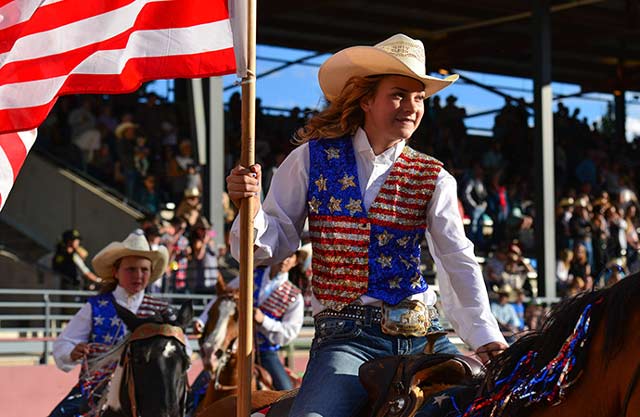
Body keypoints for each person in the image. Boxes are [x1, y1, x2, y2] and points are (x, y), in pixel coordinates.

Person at [226, 33, 507, 417]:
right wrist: (250, 204)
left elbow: (456, 257)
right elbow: (265, 247)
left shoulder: (434, 176)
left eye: (419, 98)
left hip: (425, 335)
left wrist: (485, 334)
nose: (411, 107)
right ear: (366, 100)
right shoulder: (310, 159)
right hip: (345, 339)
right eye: (398, 95)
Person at [49, 230, 174, 417]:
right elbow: (63, 344)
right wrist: (72, 352)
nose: (138, 275)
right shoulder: (96, 307)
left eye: (144, 269)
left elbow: (183, 350)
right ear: (116, 272)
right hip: (94, 391)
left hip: (147, 395)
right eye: (131, 269)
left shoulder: (161, 310)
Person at [194, 252, 303, 390]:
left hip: (265, 352)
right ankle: (189, 408)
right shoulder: (252, 276)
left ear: (295, 262)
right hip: (234, 347)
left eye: (290, 256)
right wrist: (202, 320)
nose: (285, 259)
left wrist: (264, 320)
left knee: (286, 392)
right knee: (199, 384)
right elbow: (223, 295)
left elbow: (290, 332)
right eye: (283, 253)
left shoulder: (294, 296)